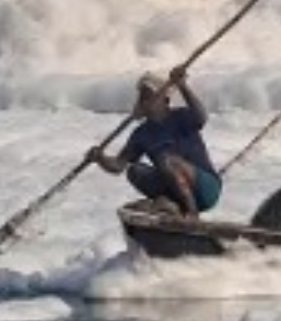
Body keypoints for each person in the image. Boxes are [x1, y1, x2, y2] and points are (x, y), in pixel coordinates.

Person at [91, 70, 220, 218]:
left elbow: (201, 117)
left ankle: (191, 213)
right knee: (135, 171)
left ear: (164, 100)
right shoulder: (141, 133)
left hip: (205, 188)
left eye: (149, 96)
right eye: (142, 97)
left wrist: (182, 85)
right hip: (176, 190)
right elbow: (119, 165)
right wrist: (100, 158)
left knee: (167, 160)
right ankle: (173, 205)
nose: (144, 101)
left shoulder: (181, 116)